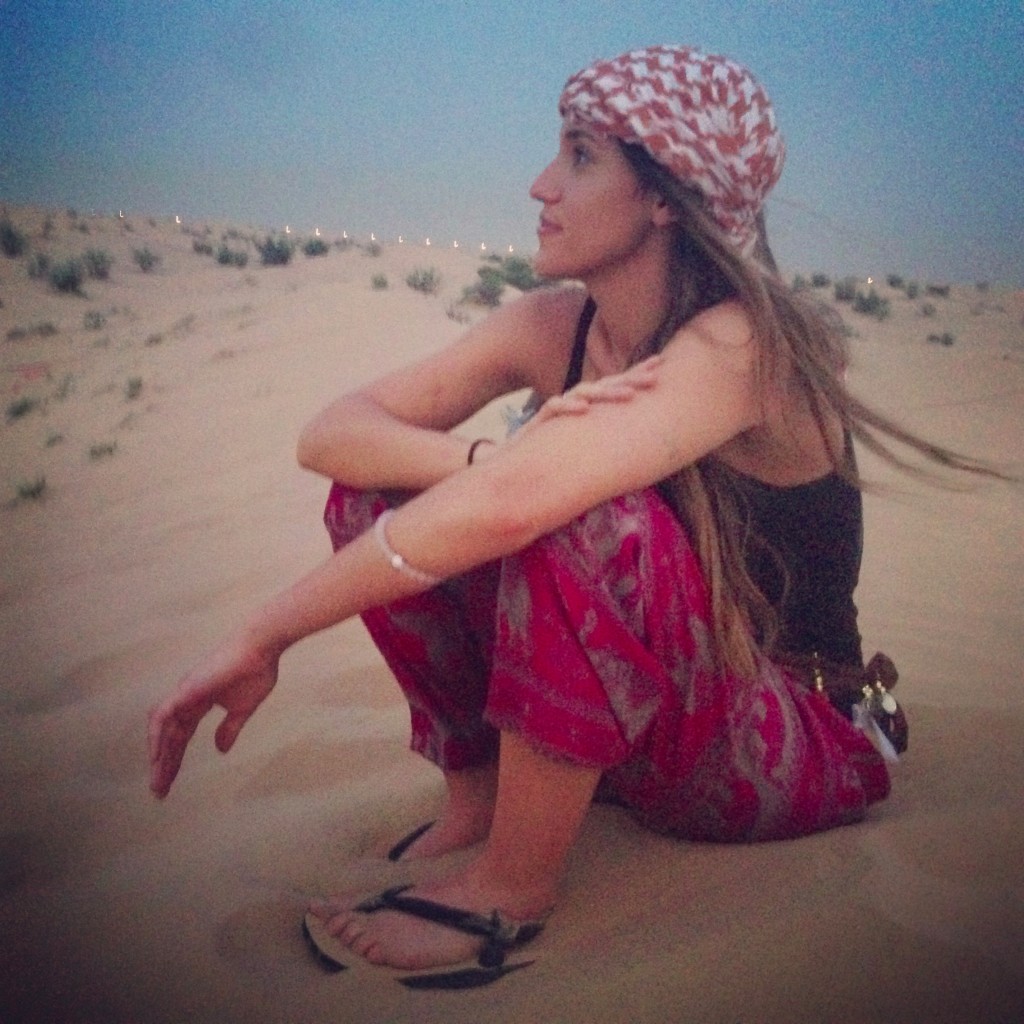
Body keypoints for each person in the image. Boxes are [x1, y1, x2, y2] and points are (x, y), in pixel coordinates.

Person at [148, 45, 993, 980]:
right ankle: (479, 798)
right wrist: (482, 459)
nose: (541, 184)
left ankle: (511, 887)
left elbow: (523, 504)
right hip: (654, 729)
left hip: (798, 741)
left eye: (581, 155)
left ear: (665, 197)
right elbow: (332, 434)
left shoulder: (741, 347)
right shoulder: (556, 326)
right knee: (391, 490)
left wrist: (266, 633)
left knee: (582, 512)